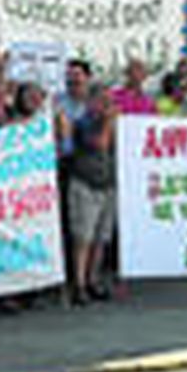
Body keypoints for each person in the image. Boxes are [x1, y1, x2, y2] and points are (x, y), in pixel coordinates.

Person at [66, 83, 117, 305]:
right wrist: (107, 121)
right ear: (92, 101)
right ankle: (78, 284)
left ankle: (93, 279)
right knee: (83, 237)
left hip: (107, 184)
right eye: (103, 101)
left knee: (101, 237)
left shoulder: (113, 124)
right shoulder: (83, 122)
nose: (107, 105)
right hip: (85, 183)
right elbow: (101, 144)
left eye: (110, 101)